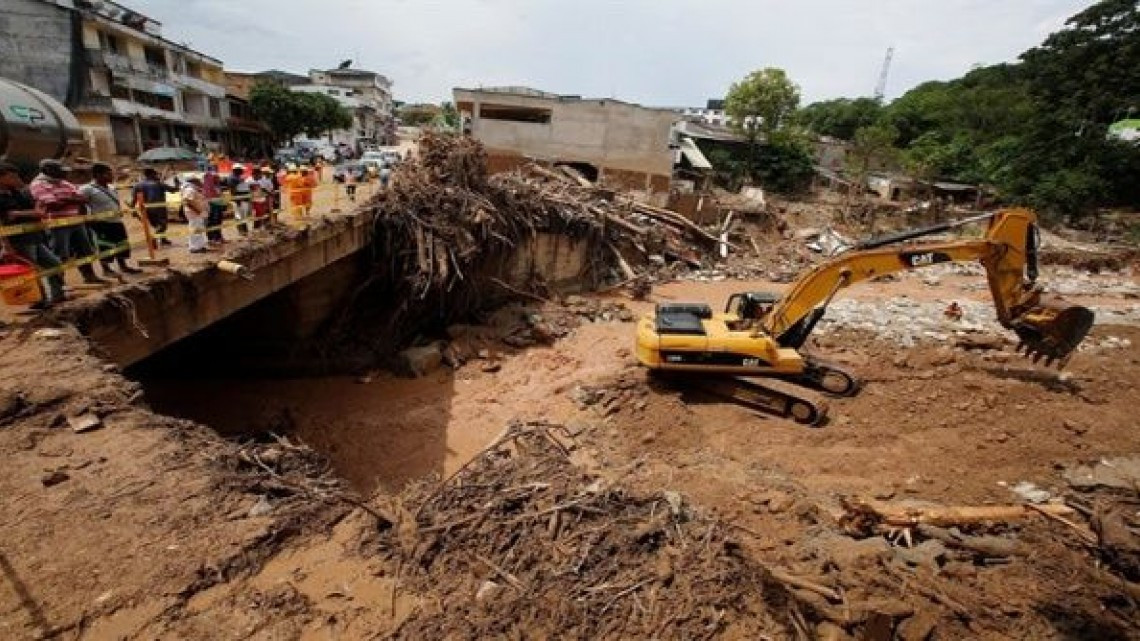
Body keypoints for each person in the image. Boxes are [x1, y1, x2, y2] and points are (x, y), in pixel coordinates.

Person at [29, 159, 110, 285]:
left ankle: (89, 276)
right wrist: (71, 199)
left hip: (76, 221)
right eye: (59, 171)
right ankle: (59, 284)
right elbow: (52, 204)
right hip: (57, 224)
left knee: (84, 250)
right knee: (60, 254)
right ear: (48, 171)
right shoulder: (38, 185)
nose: (63, 174)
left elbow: (83, 199)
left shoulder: (64, 183)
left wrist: (63, 199)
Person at [0, 163, 64, 307]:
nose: (16, 178)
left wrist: (22, 213)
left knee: (54, 264)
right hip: (18, 240)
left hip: (34, 236)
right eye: (12, 176)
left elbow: (37, 206)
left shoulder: (17, 192)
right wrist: (6, 245)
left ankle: (57, 295)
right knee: (31, 270)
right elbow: (7, 218)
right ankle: (39, 300)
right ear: (1, 178)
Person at [79, 162, 142, 277]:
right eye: (108, 174)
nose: (112, 176)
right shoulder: (87, 189)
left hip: (116, 221)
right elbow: (81, 205)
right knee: (105, 245)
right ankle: (106, 269)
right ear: (98, 175)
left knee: (122, 244)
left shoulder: (112, 188)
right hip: (101, 223)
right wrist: (87, 220)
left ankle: (123, 266)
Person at [132, 167, 177, 248]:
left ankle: (163, 239)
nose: (157, 175)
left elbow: (134, 199)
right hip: (159, 208)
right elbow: (173, 190)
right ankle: (154, 238)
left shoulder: (137, 185)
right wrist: (177, 182)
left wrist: (133, 210)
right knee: (162, 225)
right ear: (152, 174)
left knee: (155, 225)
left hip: (146, 209)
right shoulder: (158, 183)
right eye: (155, 174)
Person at [180, 176, 209, 253]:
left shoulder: (193, 189)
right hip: (194, 213)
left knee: (198, 229)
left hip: (196, 212)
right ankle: (194, 247)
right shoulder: (190, 189)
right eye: (198, 181)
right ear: (194, 182)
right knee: (195, 229)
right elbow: (187, 201)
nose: (201, 182)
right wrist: (198, 211)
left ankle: (199, 246)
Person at [223, 164, 251, 234]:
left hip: (243, 199)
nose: (243, 171)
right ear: (237, 170)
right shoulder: (232, 178)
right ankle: (241, 231)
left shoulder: (237, 177)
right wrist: (237, 200)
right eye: (241, 170)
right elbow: (232, 190)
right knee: (239, 216)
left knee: (243, 215)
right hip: (239, 200)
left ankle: (244, 229)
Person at [202, 165, 226, 246]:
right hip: (211, 205)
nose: (218, 179)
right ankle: (211, 238)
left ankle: (218, 237)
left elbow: (220, 195)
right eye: (215, 178)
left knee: (218, 221)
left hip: (218, 205)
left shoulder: (218, 186)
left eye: (217, 177)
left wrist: (223, 203)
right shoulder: (207, 188)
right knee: (212, 221)